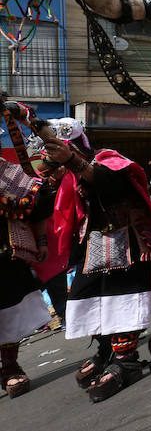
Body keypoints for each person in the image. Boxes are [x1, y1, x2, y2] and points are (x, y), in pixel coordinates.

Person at [43, 118, 151, 402]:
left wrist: (72, 162)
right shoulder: (68, 175)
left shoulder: (109, 160)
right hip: (95, 243)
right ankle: (107, 349)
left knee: (120, 298)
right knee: (85, 298)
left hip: (128, 240)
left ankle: (126, 358)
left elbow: (109, 184)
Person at [0, 162, 54, 398]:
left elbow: (37, 209)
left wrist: (41, 242)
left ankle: (10, 367)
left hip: (5, 255)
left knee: (9, 313)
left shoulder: (11, 174)